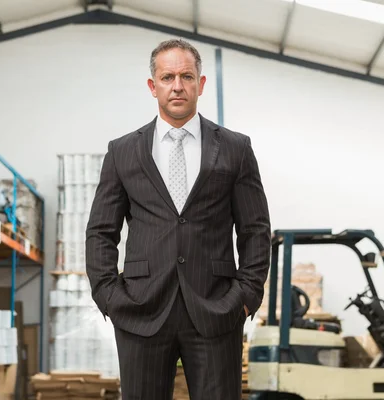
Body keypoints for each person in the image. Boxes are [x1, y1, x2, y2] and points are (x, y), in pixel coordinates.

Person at [85, 38, 271, 400]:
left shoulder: (235, 147)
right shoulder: (123, 151)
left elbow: (255, 229)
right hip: (140, 309)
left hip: (216, 307)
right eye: (168, 77)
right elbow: (100, 232)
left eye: (187, 76)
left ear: (200, 84)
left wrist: (247, 294)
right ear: (153, 86)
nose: (178, 86)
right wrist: (108, 294)